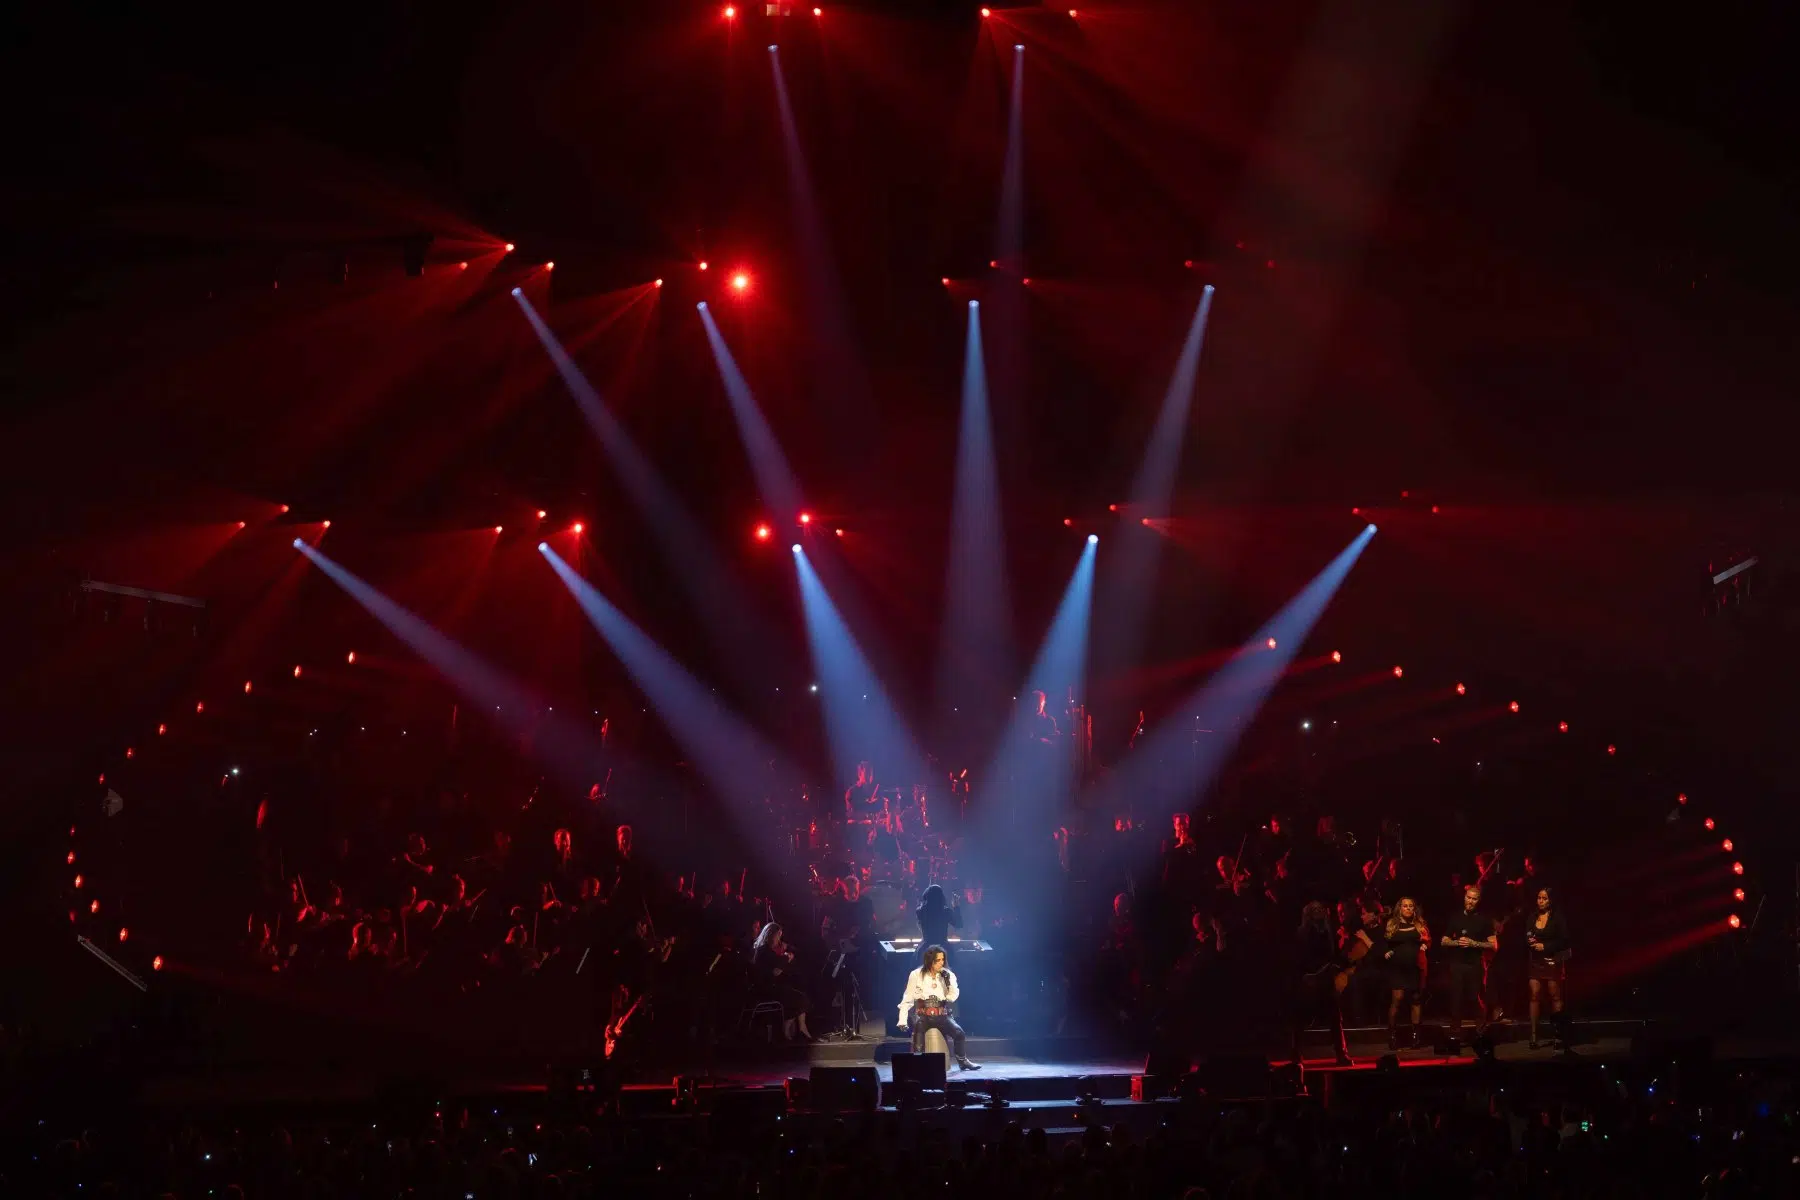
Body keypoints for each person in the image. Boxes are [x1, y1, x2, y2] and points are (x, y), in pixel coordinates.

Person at [898, 944, 979, 1070]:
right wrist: (902, 1019)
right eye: (938, 960)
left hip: (942, 1014)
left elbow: (953, 995)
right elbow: (907, 998)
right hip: (922, 1014)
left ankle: (963, 1061)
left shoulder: (948, 975)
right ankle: (918, 1065)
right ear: (930, 960)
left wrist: (948, 984)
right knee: (919, 1036)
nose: (941, 963)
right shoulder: (916, 974)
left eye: (943, 960)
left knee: (959, 1033)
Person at [1293, 901, 1354, 1066]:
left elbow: (1333, 954)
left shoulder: (1329, 931)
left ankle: (1341, 1053)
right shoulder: (1303, 933)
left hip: (1326, 979)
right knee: (1301, 1018)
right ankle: (1296, 1054)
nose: (1319, 913)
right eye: (1315, 911)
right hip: (1310, 980)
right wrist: (1306, 975)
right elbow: (1300, 957)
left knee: (1334, 1016)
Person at [1440, 884, 1498, 1047]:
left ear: (1478, 901)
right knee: (1456, 999)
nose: (1470, 901)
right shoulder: (1455, 917)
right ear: (1464, 897)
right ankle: (1454, 1035)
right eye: (1468, 897)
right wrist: (1456, 942)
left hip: (1475, 965)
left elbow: (1493, 945)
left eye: (1474, 899)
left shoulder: (1484, 920)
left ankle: (1481, 1033)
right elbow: (1443, 940)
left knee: (1476, 999)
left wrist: (1474, 943)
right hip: (1457, 964)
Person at [751, 922, 814, 1042]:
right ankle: (793, 1028)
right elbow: (775, 970)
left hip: (770, 986)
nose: (780, 939)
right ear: (771, 935)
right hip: (765, 990)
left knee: (799, 995)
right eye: (778, 935)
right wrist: (786, 957)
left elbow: (778, 969)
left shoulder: (765, 950)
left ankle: (798, 1028)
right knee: (800, 998)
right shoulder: (764, 951)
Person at [1525, 887, 1571, 1050]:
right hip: (1535, 961)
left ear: (1550, 900)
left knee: (1554, 994)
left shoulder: (1557, 918)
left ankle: (1558, 1035)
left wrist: (1545, 946)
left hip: (1551, 959)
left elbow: (1564, 940)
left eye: (1544, 898)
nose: (1541, 901)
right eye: (1539, 898)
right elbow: (1527, 934)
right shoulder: (1532, 916)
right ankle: (1533, 1035)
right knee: (1534, 994)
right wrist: (1530, 941)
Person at [1381, 897, 1428, 1050]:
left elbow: (1428, 940)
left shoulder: (1419, 924)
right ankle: (1392, 1034)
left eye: (1411, 906)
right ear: (1399, 908)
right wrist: (1385, 952)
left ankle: (1416, 1036)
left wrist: (1425, 945)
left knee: (1415, 999)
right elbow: (1383, 942)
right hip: (1397, 968)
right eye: (1405, 906)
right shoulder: (1392, 924)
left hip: (1414, 967)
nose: (1408, 908)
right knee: (1398, 999)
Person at [916, 883, 963, 948]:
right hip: (943, 946)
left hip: (926, 946)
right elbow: (959, 924)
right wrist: (956, 907)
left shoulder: (920, 911)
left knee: (916, 956)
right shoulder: (946, 911)